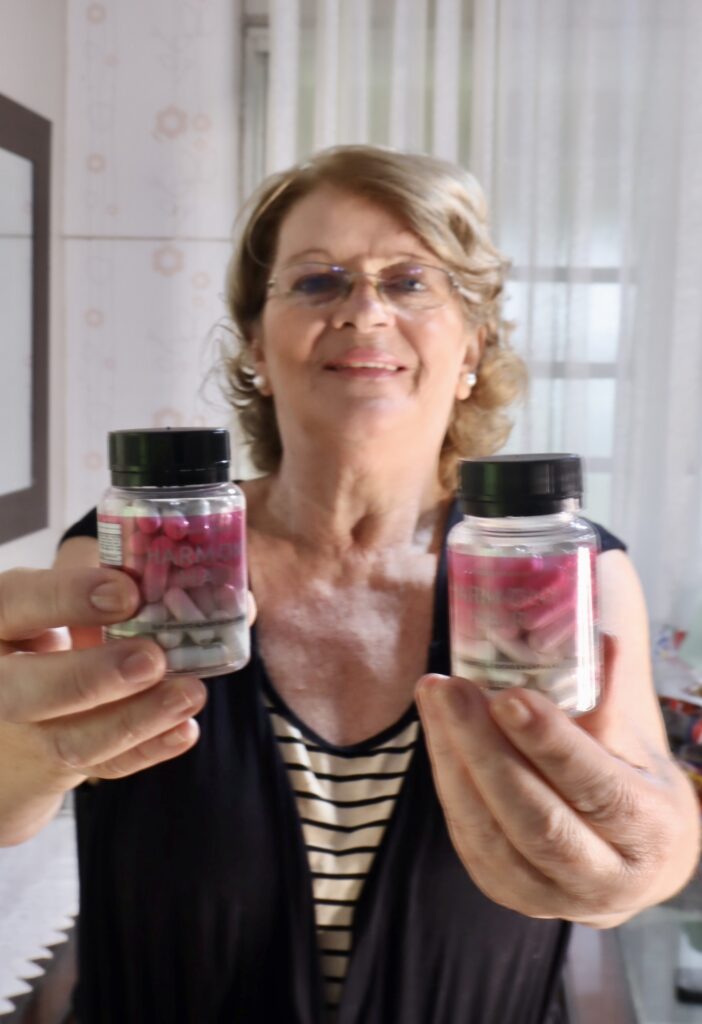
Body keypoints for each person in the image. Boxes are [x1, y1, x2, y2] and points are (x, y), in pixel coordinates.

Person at [0, 145, 698, 1024]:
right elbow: (17, 785)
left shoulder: (566, 571)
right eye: (317, 281)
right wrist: (13, 773)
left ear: (473, 344)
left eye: (410, 281)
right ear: (257, 345)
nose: (365, 310)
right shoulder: (135, 558)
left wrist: (642, 865)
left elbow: (651, 807)